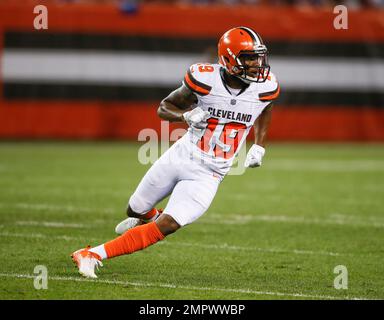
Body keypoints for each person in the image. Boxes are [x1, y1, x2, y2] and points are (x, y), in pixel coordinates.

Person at [71, 26, 280, 278]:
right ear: (228, 58)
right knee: (135, 209)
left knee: (168, 224)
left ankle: (91, 254)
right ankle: (147, 219)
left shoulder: (265, 86)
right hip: (180, 154)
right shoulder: (204, 79)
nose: (257, 64)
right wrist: (185, 116)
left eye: (258, 57)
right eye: (249, 58)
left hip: (210, 172)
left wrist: (259, 144)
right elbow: (164, 107)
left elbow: (265, 107)